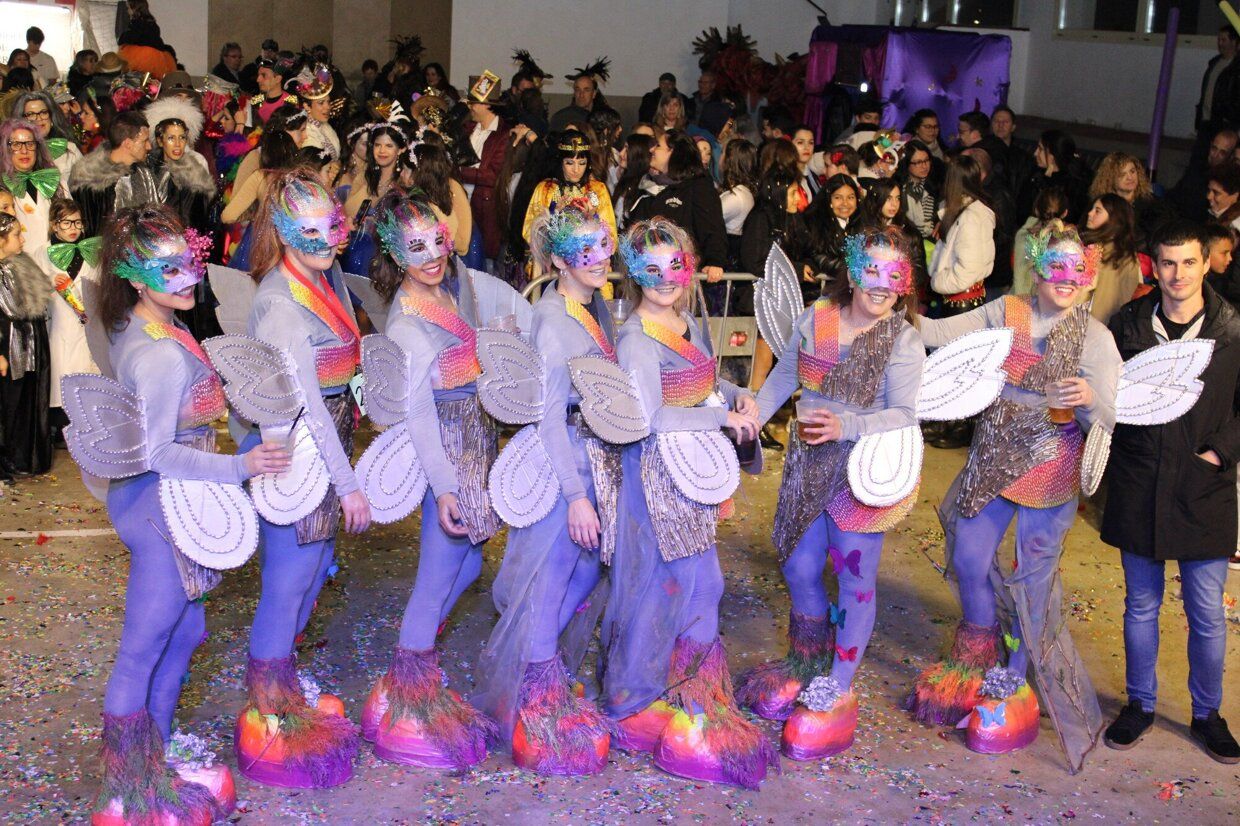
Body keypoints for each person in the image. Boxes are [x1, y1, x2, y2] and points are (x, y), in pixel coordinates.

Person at [82, 205, 288, 823]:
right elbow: (158, 451)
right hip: (160, 506)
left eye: (188, 260)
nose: (186, 276)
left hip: (167, 501)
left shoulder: (156, 330)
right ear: (138, 280)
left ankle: (155, 753)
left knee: (186, 630)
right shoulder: (161, 354)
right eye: (167, 269)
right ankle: (127, 788)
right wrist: (240, 469)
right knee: (143, 644)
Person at [909, 221, 1120, 771]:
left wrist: (1092, 396)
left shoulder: (1095, 336)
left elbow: (1112, 416)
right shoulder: (1008, 311)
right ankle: (980, 644)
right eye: (1056, 266)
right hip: (996, 451)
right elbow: (939, 334)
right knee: (970, 558)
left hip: (1052, 461)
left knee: (1033, 575)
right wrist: (893, 308)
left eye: (1078, 269)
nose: (1067, 278)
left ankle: (1016, 669)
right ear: (1036, 267)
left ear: (1090, 276)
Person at [737, 227, 925, 758]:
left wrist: (847, 426)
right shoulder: (818, 316)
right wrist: (755, 412)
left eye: (895, 275)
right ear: (852, 269)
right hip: (806, 461)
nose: (882, 285)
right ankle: (808, 660)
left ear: (906, 281)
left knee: (854, 578)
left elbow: (905, 414)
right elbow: (786, 375)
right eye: (872, 270)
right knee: (798, 568)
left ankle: (837, 684)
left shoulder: (903, 339)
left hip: (862, 469)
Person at [602, 218, 774, 789]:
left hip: (695, 470)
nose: (665, 279)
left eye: (674, 265)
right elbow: (650, 418)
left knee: (700, 583)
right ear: (632, 273)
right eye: (650, 270)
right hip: (659, 475)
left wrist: (737, 395)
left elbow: (706, 383)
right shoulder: (634, 338)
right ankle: (630, 702)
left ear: (691, 263)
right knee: (667, 585)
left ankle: (691, 686)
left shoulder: (686, 319)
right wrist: (720, 416)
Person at [233, 170, 370, 789]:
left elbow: (342, 371)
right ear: (284, 233)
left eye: (332, 228)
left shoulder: (320, 281)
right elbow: (307, 403)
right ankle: (268, 709)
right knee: (290, 578)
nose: (324, 241)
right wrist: (348, 484)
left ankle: (281, 685)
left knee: (314, 572)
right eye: (307, 231)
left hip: (329, 437)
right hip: (299, 450)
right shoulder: (280, 299)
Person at [358, 191, 501, 770]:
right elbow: (416, 411)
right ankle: (409, 691)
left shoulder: (446, 291)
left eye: (436, 242)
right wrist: (443, 486)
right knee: (439, 569)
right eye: (415, 249)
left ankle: (408, 671)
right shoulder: (409, 321)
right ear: (395, 255)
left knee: (467, 563)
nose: (432, 255)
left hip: (473, 438)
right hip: (445, 444)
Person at [474, 206, 617, 774]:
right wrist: (576, 494)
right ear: (558, 261)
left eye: (604, 245)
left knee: (582, 572)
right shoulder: (557, 318)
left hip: (592, 460)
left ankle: (532, 665)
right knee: (553, 576)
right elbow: (550, 415)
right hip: (566, 465)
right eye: (587, 251)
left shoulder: (591, 306)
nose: (602, 258)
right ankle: (535, 695)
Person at [1101, 220, 1240, 765]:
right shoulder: (1128, 325)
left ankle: (1208, 715)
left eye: (1188, 262)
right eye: (1167, 263)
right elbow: (1106, 394)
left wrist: (1219, 455)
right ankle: (1141, 705)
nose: (1177, 274)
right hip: (1140, 481)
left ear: (1206, 263)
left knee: (1206, 609)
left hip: (1204, 487)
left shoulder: (1232, 329)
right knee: (1141, 605)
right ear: (1151, 266)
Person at [925, 154, 995, 448]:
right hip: (952, 299)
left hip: (963, 300)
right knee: (947, 363)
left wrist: (938, 282)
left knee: (962, 365)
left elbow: (969, 268)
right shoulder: (957, 212)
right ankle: (946, 420)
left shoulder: (974, 217)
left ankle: (960, 426)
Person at [626, 130, 727, 285]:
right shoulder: (646, 184)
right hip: (648, 278)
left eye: (658, 146)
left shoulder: (698, 186)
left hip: (680, 280)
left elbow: (712, 228)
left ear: (674, 153)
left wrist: (715, 261)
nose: (652, 150)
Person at [35, 197, 98, 430]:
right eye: (66, 223)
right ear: (54, 224)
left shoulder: (91, 250)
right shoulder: (43, 251)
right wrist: (50, 281)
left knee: (85, 367)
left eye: (78, 223)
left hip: (87, 323)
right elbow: (33, 283)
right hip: (59, 322)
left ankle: (87, 419)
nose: (74, 229)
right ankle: (62, 425)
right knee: (62, 369)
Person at [0, 210, 51, 477]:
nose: (22, 239)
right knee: (8, 406)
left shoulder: (19, 266)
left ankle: (21, 457)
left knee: (22, 403)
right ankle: (7, 458)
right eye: (17, 235)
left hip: (27, 345)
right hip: (8, 347)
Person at [522, 131, 617, 253]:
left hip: (588, 260)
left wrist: (593, 218)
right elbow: (529, 232)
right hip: (553, 261)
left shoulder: (598, 189)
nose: (576, 169)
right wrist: (553, 215)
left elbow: (611, 237)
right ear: (561, 162)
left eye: (582, 163)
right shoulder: (546, 189)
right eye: (569, 163)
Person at [69, 110, 158, 237]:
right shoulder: (91, 181)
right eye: (145, 141)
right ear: (128, 144)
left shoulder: (143, 173)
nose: (149, 146)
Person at [143, 96, 216, 236]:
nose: (177, 144)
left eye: (182, 137)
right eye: (171, 138)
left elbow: (198, 218)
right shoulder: (148, 170)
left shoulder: (195, 172)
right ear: (160, 140)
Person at [459, 74, 510, 268]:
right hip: (462, 202)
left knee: (485, 267)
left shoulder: (503, 135)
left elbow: (492, 175)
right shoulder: (468, 129)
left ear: (487, 105)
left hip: (485, 209)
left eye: (474, 102)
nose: (470, 107)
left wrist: (458, 171)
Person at [0, 117, 67, 261]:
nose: (24, 150)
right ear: (5, 148)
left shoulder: (54, 181)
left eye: (30, 144)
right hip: (19, 267)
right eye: (16, 144)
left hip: (56, 266)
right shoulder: (2, 189)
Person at [1081, 193, 1142, 323]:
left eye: (1097, 210)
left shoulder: (1119, 257)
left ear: (1114, 218)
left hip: (1097, 327)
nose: (1090, 213)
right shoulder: (1090, 248)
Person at [408, 139, 472, 257]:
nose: (401, 173)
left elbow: (459, 242)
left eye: (407, 170)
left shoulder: (438, 200)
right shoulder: (417, 195)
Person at [805, 174, 863, 303]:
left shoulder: (862, 224)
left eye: (851, 197)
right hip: (821, 296)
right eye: (838, 197)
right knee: (826, 324)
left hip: (853, 297)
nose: (845, 203)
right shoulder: (814, 224)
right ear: (828, 200)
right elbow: (818, 257)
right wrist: (857, 271)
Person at [1012, 186, 1069, 296]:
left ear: (1036, 210)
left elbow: (1020, 277)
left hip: (1023, 304)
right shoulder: (1071, 243)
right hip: (1055, 305)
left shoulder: (1023, 237)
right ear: (1065, 213)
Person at [15, 91, 83, 180]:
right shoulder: (14, 154)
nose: (38, 119)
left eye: (43, 112)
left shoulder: (70, 149)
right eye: (30, 114)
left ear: (51, 118)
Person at [116, 0, 176, 79]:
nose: (127, 11)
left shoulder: (138, 22)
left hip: (143, 57)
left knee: (137, 80)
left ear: (135, 9)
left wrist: (122, 38)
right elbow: (157, 40)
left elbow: (130, 37)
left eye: (128, 8)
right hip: (156, 57)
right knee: (150, 82)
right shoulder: (152, 22)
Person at [1197, 26, 1240, 133]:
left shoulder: (1237, 67)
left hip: (1225, 121)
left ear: (1234, 42)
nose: (1220, 43)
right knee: (1201, 149)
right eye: (1219, 40)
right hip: (1206, 119)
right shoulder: (1214, 63)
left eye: (1224, 40)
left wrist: (1230, 116)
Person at [245, 51, 300, 129]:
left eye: (264, 75)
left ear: (278, 79)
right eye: (258, 75)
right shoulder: (256, 101)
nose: (258, 79)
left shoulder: (291, 101)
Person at [991, 105, 1034, 205]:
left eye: (1005, 122)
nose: (1000, 125)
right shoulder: (983, 152)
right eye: (996, 121)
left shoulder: (1022, 157)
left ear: (1013, 127)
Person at [549, 60, 608, 132]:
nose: (581, 94)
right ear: (574, 92)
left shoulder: (601, 119)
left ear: (594, 93)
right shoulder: (561, 117)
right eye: (578, 90)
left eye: (586, 90)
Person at [896, 139, 938, 240]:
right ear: (907, 164)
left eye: (926, 160)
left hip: (931, 241)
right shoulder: (899, 188)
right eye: (918, 162)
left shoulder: (934, 186)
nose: (924, 166)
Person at [1206, 162, 1240, 229]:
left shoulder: (1235, 227)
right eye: (1209, 190)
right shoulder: (1215, 216)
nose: (1208, 196)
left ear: (1235, 195)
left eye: (1216, 193)